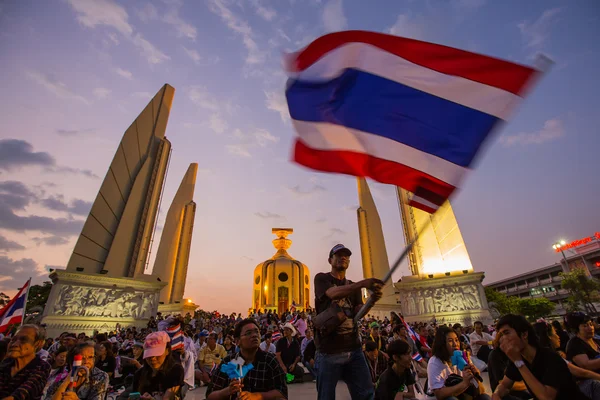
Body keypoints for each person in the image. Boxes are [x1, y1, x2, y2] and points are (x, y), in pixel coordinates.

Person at [313, 244, 383, 400]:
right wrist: (363, 283)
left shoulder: (353, 287)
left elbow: (359, 312)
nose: (343, 257)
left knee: (366, 395)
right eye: (338, 255)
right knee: (326, 397)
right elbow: (332, 293)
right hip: (328, 351)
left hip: (354, 349)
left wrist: (371, 300)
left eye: (346, 255)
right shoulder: (321, 278)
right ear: (330, 260)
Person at [492, 314, 585, 400]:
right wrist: (496, 394)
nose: (503, 339)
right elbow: (504, 385)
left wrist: (518, 362)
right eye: (501, 335)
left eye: (507, 333)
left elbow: (547, 397)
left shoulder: (549, 357)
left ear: (524, 334)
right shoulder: (517, 359)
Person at [206, 318, 287, 399]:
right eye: (248, 333)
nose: (254, 335)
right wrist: (228, 391)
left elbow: (282, 394)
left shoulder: (269, 360)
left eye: (257, 332)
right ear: (237, 341)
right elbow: (210, 395)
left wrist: (256, 396)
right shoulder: (228, 362)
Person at [534, 320, 600, 400]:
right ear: (549, 336)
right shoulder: (572, 345)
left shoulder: (542, 356)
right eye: (555, 333)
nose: (558, 336)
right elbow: (581, 371)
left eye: (591, 324)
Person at [427, 325, 490, 400]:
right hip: (444, 398)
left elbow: (480, 391)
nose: (455, 344)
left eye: (456, 340)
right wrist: (464, 383)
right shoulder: (435, 362)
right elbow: (439, 394)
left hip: (462, 394)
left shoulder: (464, 357)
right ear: (442, 344)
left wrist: (475, 376)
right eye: (450, 341)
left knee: (485, 397)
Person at [0, 324, 51, 400]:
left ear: (37, 344)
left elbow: (23, 393)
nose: (15, 344)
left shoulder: (42, 366)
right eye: (13, 340)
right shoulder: (6, 363)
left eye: (23, 340)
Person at [132, 331, 184, 399]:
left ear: (167, 351)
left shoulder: (175, 370)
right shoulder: (139, 374)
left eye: (157, 354)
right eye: (150, 355)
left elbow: (168, 397)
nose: (153, 358)